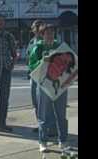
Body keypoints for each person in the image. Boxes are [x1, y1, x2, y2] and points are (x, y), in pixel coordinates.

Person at [29, 24, 68, 152]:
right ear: (42, 34)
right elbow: (31, 66)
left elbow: (69, 63)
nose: (50, 35)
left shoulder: (59, 46)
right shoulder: (38, 47)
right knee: (43, 115)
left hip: (59, 84)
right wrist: (42, 61)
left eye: (52, 33)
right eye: (47, 33)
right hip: (44, 85)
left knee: (61, 114)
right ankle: (43, 142)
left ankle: (62, 140)